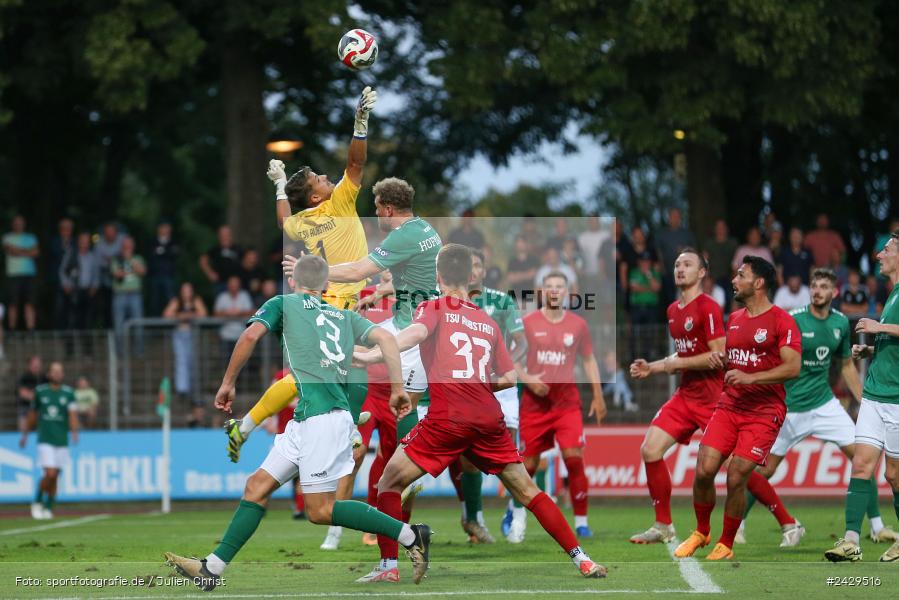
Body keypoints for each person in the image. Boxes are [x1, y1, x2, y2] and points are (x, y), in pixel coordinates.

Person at [164, 255, 431, 590]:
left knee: (320, 511)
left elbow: (249, 337)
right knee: (256, 487)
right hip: (306, 419)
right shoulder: (345, 316)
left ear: (293, 282)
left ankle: (410, 535)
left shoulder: (283, 303)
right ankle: (212, 569)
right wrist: (396, 388)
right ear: (326, 286)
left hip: (324, 421)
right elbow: (388, 340)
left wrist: (228, 382)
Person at [353, 244, 606, 581]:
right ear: (470, 277)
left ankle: (389, 567)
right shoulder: (487, 321)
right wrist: (475, 384)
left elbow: (413, 335)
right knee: (529, 491)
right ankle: (582, 559)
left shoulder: (435, 306)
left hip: (448, 418)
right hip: (488, 417)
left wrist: (372, 355)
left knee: (389, 481)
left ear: (438, 277)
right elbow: (510, 377)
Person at [222, 86, 378, 464]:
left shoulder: (304, 221)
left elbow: (283, 221)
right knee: (319, 374)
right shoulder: (338, 203)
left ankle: (251, 426)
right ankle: (338, 423)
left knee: (339, 369)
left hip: (328, 300)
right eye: (321, 180)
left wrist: (279, 186)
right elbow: (355, 166)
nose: (329, 178)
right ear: (316, 197)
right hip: (336, 302)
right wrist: (360, 125)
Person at [739, 269, 898, 546]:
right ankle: (738, 524)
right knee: (763, 470)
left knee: (861, 458)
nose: (817, 290)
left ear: (834, 293)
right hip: (791, 407)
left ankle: (877, 526)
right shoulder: (794, 320)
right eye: (814, 285)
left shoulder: (838, 323)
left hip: (825, 405)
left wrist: (864, 400)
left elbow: (846, 365)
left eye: (824, 286)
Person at [673, 255, 801, 561]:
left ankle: (726, 543)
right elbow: (738, 361)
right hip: (730, 404)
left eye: (740, 275)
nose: (734, 280)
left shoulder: (782, 321)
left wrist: (750, 377)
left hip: (764, 410)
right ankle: (702, 531)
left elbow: (793, 367)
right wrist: (723, 362)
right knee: (704, 469)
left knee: (737, 475)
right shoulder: (736, 318)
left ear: (758, 283)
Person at [628, 249, 725, 544]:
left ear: (702, 272)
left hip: (715, 400)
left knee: (738, 468)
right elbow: (683, 355)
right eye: (676, 264)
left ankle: (787, 521)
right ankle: (663, 526)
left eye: (687, 264)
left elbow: (719, 355)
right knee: (650, 450)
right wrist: (654, 367)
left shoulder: (708, 307)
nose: (680, 269)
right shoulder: (672, 311)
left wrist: (674, 364)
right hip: (686, 396)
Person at [512, 271, 606, 542]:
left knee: (574, 459)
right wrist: (529, 380)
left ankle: (582, 522)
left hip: (567, 405)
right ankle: (516, 514)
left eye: (559, 287)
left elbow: (588, 360)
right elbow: (511, 358)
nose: (554, 291)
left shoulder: (578, 325)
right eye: (549, 286)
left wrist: (598, 396)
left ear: (567, 293)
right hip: (534, 406)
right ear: (542, 291)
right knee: (527, 465)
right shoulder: (527, 323)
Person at [825, 229, 899, 563]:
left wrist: (878, 328)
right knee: (860, 466)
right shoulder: (892, 294)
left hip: (897, 400)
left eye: (886, 249)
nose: (880, 255)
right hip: (874, 395)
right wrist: (869, 348)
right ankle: (851, 540)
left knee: (894, 475)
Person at [469, 249, 528, 541]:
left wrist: (506, 366)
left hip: (500, 388)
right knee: (468, 455)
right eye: (467, 266)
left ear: (484, 269)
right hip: (467, 388)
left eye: (477, 265)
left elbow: (521, 342)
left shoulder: (501, 301)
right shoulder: (451, 302)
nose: (472, 270)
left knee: (511, 452)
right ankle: (475, 516)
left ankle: (518, 512)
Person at [19, 362, 78, 520]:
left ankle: (49, 506)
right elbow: (32, 415)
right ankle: (38, 500)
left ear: (63, 374)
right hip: (45, 439)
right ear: (49, 374)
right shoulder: (40, 392)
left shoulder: (68, 393)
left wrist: (74, 432)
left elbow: (72, 414)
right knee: (50, 474)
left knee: (56, 475)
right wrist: (25, 435)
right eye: (54, 371)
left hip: (61, 440)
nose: (57, 374)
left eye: (60, 371)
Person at [163, 282, 208, 426]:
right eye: (184, 290)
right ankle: (182, 387)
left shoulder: (196, 300)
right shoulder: (176, 301)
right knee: (181, 360)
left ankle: (189, 386)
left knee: (191, 362)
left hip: (192, 335)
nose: (187, 292)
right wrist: (185, 316)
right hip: (180, 334)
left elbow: (203, 314)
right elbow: (167, 315)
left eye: (189, 289)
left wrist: (185, 315)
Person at [3, 215, 40, 330]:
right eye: (16, 222)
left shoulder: (31, 237)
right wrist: (27, 251)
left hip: (30, 274)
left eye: (21, 222)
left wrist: (18, 250)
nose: (18, 224)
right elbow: (10, 250)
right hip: (13, 274)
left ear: (24, 223)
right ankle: (12, 328)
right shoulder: (7, 237)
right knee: (13, 303)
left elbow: (36, 252)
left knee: (30, 302)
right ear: (13, 224)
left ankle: (31, 329)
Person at [58, 232, 100, 330]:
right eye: (82, 241)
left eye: (86, 241)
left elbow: (96, 273)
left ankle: (86, 342)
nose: (84, 243)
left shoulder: (92, 256)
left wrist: (95, 286)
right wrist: (66, 284)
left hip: (88, 290)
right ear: (78, 242)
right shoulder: (71, 254)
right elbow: (62, 270)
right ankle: (71, 342)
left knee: (87, 317)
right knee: (72, 317)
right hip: (73, 290)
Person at [655, 208, 696, 305]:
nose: (674, 218)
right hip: (667, 272)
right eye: (672, 216)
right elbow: (658, 251)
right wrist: (661, 266)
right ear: (668, 218)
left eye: (677, 216)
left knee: (684, 297)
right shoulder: (662, 234)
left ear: (680, 218)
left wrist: (684, 250)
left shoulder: (687, 234)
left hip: (684, 273)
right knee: (669, 300)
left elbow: (694, 251)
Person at [111, 235, 146, 344]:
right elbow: (117, 274)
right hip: (119, 295)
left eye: (130, 244)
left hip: (135, 295)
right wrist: (130, 270)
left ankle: (139, 353)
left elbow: (142, 272)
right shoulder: (116, 259)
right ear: (122, 246)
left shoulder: (138, 258)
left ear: (133, 246)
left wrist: (130, 260)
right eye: (125, 244)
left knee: (138, 324)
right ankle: (120, 354)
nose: (128, 246)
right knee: (118, 325)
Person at [213, 276, 255, 369]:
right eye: (232, 284)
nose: (234, 286)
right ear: (228, 285)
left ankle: (241, 383)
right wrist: (226, 313)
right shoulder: (222, 297)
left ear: (239, 285)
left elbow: (251, 312)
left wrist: (239, 312)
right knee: (226, 363)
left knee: (242, 363)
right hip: (225, 336)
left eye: (236, 284)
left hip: (241, 336)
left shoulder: (244, 295)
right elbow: (216, 314)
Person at [94, 222, 124, 328]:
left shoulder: (123, 239)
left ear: (116, 232)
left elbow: (126, 255)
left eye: (112, 232)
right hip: (105, 281)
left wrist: (112, 260)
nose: (110, 234)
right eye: (107, 232)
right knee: (107, 309)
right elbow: (98, 263)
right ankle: (109, 332)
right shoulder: (99, 243)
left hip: (122, 283)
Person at [199, 225, 243, 297]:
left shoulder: (238, 249)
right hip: (220, 284)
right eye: (222, 235)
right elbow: (203, 260)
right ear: (219, 236)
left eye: (227, 234)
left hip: (236, 285)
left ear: (230, 235)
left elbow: (246, 261)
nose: (225, 237)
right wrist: (210, 273)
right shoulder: (215, 249)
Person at [147, 222, 179, 316]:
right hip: (155, 276)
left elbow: (175, 254)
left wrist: (161, 251)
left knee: (171, 301)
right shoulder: (152, 242)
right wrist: (167, 251)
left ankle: (170, 324)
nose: (165, 230)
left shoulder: (174, 242)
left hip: (169, 276)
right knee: (155, 302)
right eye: (163, 227)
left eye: (167, 227)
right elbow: (151, 256)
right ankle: (155, 326)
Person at [16, 356, 46, 435]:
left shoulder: (44, 378)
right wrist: (38, 396)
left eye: (39, 364)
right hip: (26, 408)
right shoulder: (24, 377)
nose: (37, 366)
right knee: (23, 431)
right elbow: (23, 393)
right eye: (34, 364)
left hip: (41, 409)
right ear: (29, 365)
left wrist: (34, 395)